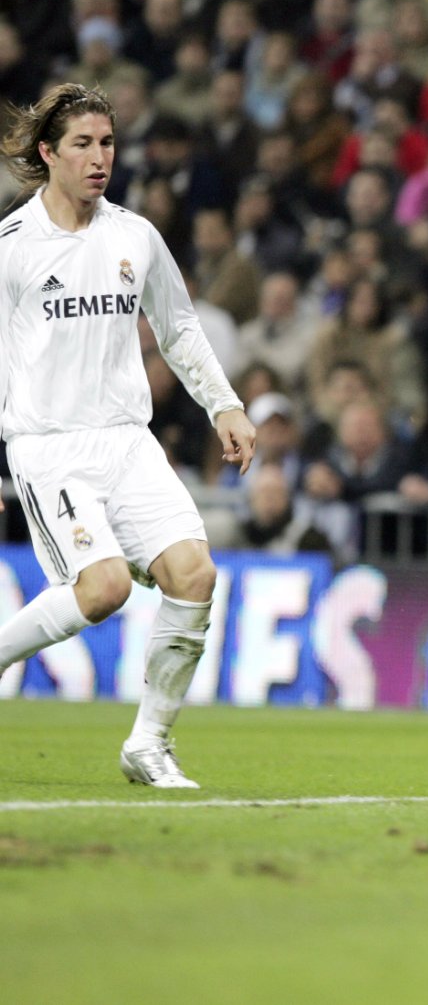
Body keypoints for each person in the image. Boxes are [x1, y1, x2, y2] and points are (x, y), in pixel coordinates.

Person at [0, 83, 257, 788]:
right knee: (105, 586)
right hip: (49, 445)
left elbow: (177, 327)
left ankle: (149, 744)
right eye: (82, 143)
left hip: (126, 440)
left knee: (194, 574)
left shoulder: (134, 236)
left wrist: (225, 405)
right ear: (48, 152)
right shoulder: (13, 247)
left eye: (107, 142)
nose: (98, 158)